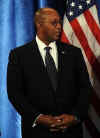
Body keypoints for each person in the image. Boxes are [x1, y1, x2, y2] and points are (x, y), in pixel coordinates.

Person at [7, 8, 92, 138]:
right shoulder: (19, 55)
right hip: (37, 132)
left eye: (60, 22)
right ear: (39, 24)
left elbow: (85, 88)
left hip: (70, 131)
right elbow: (15, 93)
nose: (59, 27)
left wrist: (75, 117)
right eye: (54, 23)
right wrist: (38, 117)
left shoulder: (73, 53)